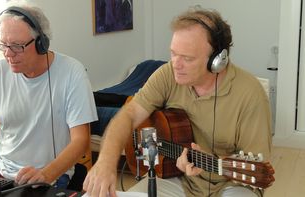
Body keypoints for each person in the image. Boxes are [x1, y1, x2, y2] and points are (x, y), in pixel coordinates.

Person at [83, 7, 272, 197]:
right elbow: (128, 115)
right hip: (176, 178)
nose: (176, 64)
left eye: (187, 58)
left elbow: (256, 167)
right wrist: (105, 163)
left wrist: (207, 162)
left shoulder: (250, 94)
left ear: (217, 60)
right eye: (173, 53)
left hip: (231, 184)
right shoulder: (167, 74)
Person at [0, 0, 97, 190]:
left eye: (17, 46)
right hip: (0, 174)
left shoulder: (72, 73)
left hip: (50, 177)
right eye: (3, 44)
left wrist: (46, 174)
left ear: (41, 43)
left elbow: (80, 141)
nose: (8, 54)